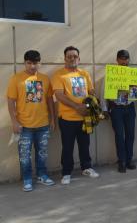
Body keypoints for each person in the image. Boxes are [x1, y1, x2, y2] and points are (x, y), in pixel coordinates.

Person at [7, 50, 56, 192]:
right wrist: (14, 122)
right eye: (29, 63)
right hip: (24, 126)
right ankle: (27, 179)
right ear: (25, 63)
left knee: (42, 153)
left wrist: (52, 119)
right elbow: (10, 101)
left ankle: (42, 175)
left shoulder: (45, 79)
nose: (32, 66)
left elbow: (49, 100)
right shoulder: (16, 79)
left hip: (43, 125)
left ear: (39, 63)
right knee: (24, 156)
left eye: (35, 63)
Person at [52, 46, 100, 185]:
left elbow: (91, 91)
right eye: (69, 56)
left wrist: (92, 103)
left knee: (85, 145)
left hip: (85, 118)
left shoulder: (84, 74)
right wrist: (77, 107)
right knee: (67, 147)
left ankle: (87, 167)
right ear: (65, 58)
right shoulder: (59, 75)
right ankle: (66, 173)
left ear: (79, 58)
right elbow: (59, 95)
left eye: (75, 56)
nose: (72, 58)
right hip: (67, 119)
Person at [100, 50, 136, 173]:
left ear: (128, 60)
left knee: (130, 134)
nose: (124, 61)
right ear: (117, 60)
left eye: (126, 58)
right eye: (121, 58)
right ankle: (122, 161)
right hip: (116, 108)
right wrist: (104, 109)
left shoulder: (134, 74)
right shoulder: (110, 75)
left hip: (130, 107)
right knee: (119, 135)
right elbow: (103, 92)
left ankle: (129, 159)